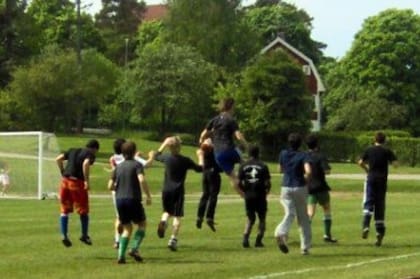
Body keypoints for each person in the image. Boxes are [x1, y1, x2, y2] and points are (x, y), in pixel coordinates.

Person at [153, 136, 203, 251]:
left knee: (166, 211)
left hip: (166, 189)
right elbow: (200, 169)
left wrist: (164, 144)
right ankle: (173, 239)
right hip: (178, 190)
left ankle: (164, 221)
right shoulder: (185, 160)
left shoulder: (166, 158)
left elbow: (156, 156)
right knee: (177, 215)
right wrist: (200, 156)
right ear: (180, 147)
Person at [108, 141, 152, 264]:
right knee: (142, 224)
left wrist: (118, 187)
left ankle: (121, 256)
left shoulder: (118, 167)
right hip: (133, 198)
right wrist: (148, 195)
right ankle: (134, 248)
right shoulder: (137, 165)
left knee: (127, 228)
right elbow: (142, 180)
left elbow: (110, 186)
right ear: (134, 152)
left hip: (120, 200)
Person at [199, 97, 247, 198]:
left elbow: (203, 134)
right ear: (231, 106)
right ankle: (252, 186)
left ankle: (244, 196)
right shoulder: (231, 120)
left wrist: (201, 142)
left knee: (232, 177)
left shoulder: (214, 120)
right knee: (246, 163)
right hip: (229, 149)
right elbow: (238, 136)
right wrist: (247, 145)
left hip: (218, 154)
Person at [56, 139, 100, 247]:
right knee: (83, 210)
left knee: (64, 210)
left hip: (65, 182)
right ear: (94, 149)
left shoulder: (72, 150)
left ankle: (64, 235)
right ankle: (84, 235)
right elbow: (85, 163)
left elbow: (58, 159)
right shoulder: (90, 154)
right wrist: (86, 181)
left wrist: (62, 171)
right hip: (77, 183)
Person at [274, 133, 312, 255]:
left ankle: (281, 232)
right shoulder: (303, 155)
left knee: (289, 213)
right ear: (300, 143)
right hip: (300, 186)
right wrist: (306, 179)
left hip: (286, 186)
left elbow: (279, 169)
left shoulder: (283, 153)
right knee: (303, 218)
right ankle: (305, 247)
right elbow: (308, 171)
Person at [358, 131, 397, 247]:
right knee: (380, 206)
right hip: (382, 181)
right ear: (384, 140)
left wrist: (367, 169)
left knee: (368, 202)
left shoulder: (369, 150)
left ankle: (365, 225)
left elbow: (360, 162)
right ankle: (379, 233)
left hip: (371, 179)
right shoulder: (387, 151)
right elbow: (395, 164)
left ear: (374, 140)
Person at [305, 134, 337, 243]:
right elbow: (327, 171)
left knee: (310, 213)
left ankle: (305, 235)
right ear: (317, 144)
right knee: (326, 209)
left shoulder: (305, 156)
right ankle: (327, 235)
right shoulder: (320, 156)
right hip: (321, 186)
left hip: (309, 187)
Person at [238, 145, 271, 248]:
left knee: (250, 218)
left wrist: (244, 191)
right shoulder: (263, 165)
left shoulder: (243, 166)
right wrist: (267, 191)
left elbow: (239, 182)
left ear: (249, 153)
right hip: (260, 195)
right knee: (262, 218)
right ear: (258, 153)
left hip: (249, 195)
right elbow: (267, 182)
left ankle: (245, 238)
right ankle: (258, 240)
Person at [196, 138, 222, 232]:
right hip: (214, 173)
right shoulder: (214, 152)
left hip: (205, 173)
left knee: (205, 195)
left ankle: (199, 216)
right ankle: (209, 217)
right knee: (213, 196)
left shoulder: (203, 153)